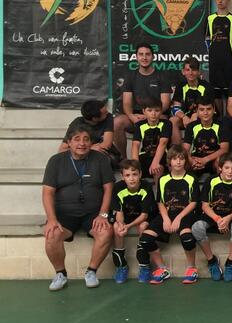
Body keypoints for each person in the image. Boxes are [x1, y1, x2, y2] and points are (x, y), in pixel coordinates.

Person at [42, 123, 114, 291]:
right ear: (69, 142)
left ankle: (91, 272)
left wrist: (103, 214)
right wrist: (51, 219)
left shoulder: (101, 159)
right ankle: (60, 274)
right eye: (77, 139)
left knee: (106, 232)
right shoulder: (56, 161)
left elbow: (108, 188)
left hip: (93, 213)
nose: (82, 143)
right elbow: (47, 192)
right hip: (65, 213)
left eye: (86, 139)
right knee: (52, 235)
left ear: (91, 142)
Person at [149, 145, 200, 285]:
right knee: (146, 239)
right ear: (169, 161)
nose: (178, 162)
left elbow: (193, 203)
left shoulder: (191, 178)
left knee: (187, 238)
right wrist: (166, 219)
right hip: (167, 214)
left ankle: (191, 269)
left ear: (185, 161)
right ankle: (162, 269)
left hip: (185, 214)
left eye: (181, 158)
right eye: (175, 158)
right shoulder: (163, 179)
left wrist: (178, 218)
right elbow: (160, 202)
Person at [191, 153, 232, 282]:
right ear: (220, 168)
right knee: (197, 227)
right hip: (212, 215)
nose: (230, 171)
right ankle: (211, 261)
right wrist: (218, 219)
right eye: (227, 168)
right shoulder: (211, 180)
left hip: (231, 216)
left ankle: (230, 262)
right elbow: (205, 206)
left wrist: (228, 218)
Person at [114, 43, 171, 158]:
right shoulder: (130, 76)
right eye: (141, 54)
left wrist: (149, 115)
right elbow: (126, 103)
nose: (144, 57)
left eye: (147, 54)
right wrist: (132, 117)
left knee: (168, 123)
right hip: (136, 117)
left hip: (156, 115)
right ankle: (123, 160)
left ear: (153, 57)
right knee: (117, 122)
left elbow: (165, 103)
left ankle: (167, 161)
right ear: (136, 57)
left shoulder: (162, 76)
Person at [110, 159, 158, 284]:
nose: (131, 179)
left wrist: (129, 226)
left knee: (143, 226)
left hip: (143, 217)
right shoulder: (118, 188)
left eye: (134, 174)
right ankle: (121, 266)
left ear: (140, 174)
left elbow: (144, 215)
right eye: (127, 175)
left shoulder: (146, 186)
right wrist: (121, 225)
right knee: (116, 227)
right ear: (122, 177)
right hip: (126, 217)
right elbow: (119, 212)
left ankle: (144, 265)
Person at [205, 0, 232, 108]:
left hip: (228, 60)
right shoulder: (209, 19)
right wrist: (212, 52)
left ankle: (229, 117)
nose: (220, 1)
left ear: (228, 0)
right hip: (214, 60)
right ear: (215, 0)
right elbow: (207, 39)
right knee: (216, 91)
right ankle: (219, 116)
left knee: (229, 90)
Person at [60, 99, 118, 165]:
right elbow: (62, 150)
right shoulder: (77, 123)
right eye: (104, 113)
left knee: (100, 157)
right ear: (95, 118)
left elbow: (106, 145)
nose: (107, 113)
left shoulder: (108, 118)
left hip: (103, 154)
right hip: (81, 153)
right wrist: (90, 148)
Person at [183, 95, 230, 176]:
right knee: (182, 160)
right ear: (197, 111)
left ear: (214, 110)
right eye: (201, 109)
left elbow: (224, 149)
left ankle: (219, 183)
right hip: (196, 160)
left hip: (213, 159)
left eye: (208, 109)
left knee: (220, 161)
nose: (205, 113)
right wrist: (192, 161)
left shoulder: (222, 126)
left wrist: (205, 160)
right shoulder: (191, 126)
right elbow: (185, 150)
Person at [170, 57, 211, 146]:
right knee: (173, 120)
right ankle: (177, 150)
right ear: (183, 72)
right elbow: (175, 108)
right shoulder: (180, 86)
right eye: (188, 70)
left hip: (203, 116)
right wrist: (184, 117)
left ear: (199, 72)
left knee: (195, 117)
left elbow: (209, 108)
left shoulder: (206, 86)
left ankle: (194, 148)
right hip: (186, 118)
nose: (191, 73)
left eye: (194, 70)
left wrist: (196, 115)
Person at [129, 98, 171, 178]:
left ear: (161, 111)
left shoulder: (166, 124)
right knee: (133, 171)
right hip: (145, 155)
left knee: (157, 169)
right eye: (149, 110)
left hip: (161, 155)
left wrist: (155, 162)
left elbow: (163, 143)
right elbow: (135, 145)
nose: (153, 113)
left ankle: (157, 186)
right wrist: (135, 164)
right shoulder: (139, 125)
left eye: (157, 110)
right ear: (144, 111)